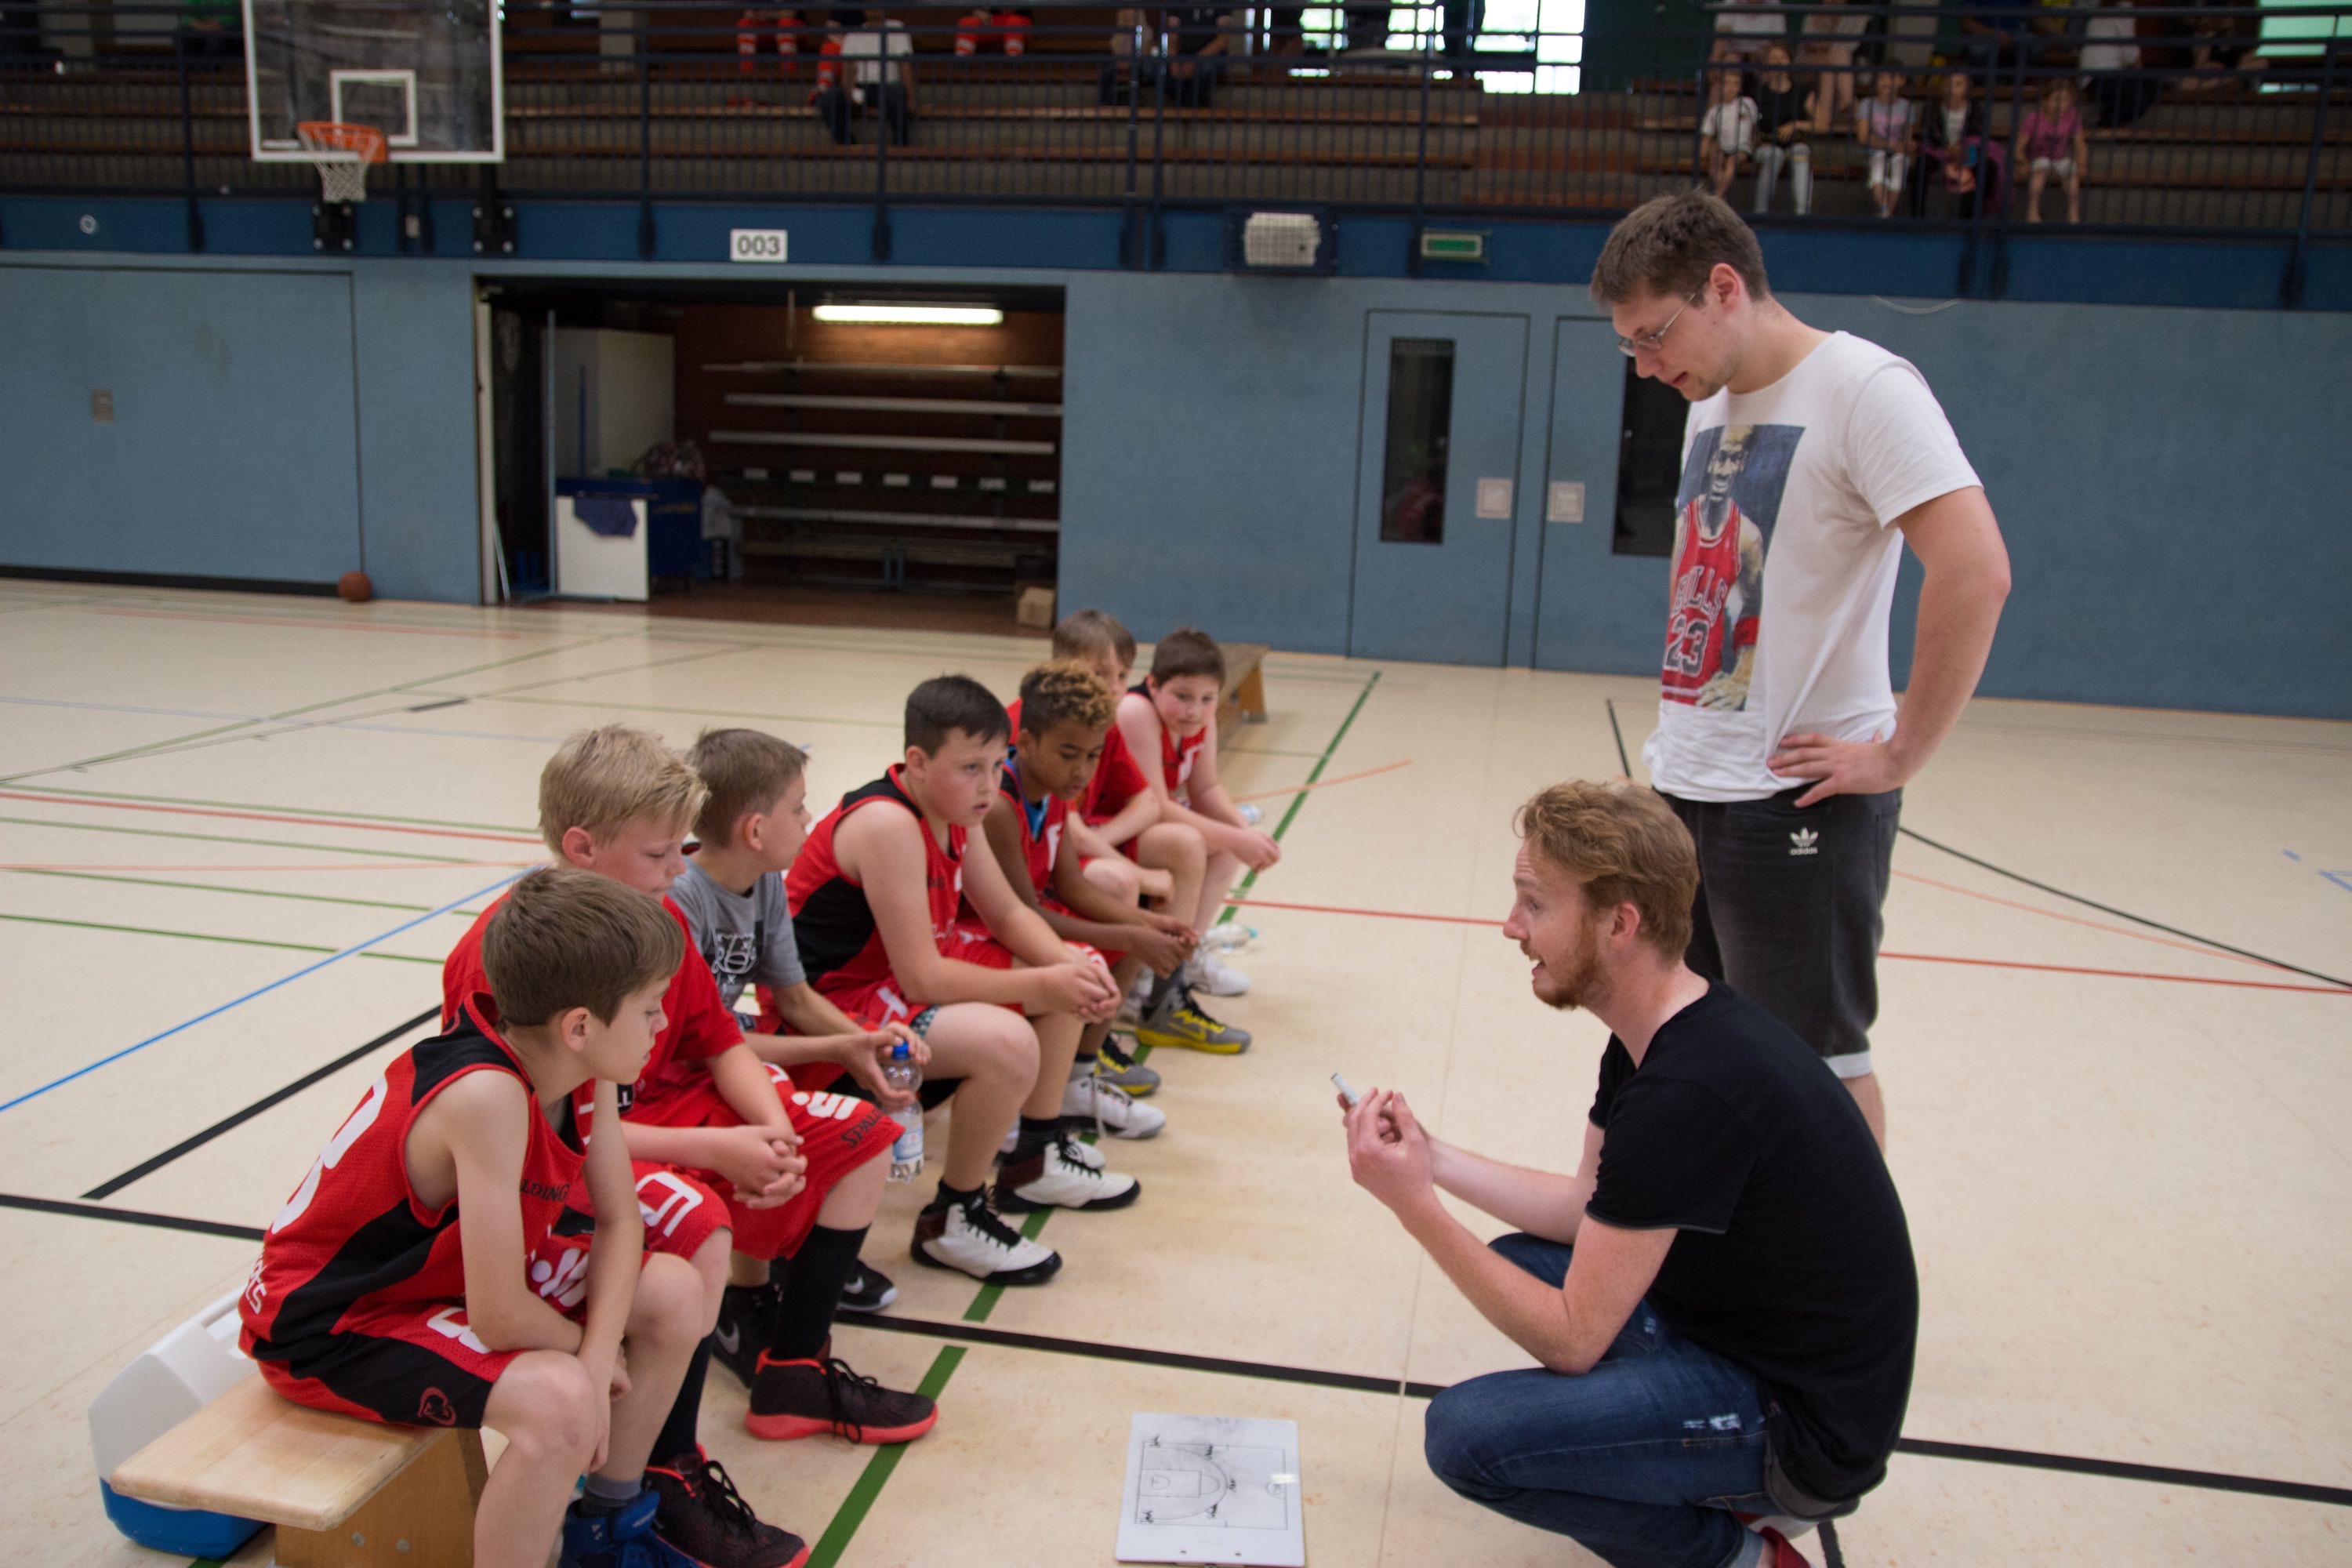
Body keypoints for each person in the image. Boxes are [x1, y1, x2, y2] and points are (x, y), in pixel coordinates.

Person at [1345, 782, 1918, 1568]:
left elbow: (1572, 1339)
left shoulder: (1687, 1093)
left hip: (1802, 1431)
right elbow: (1582, 1205)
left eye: (1535, 903)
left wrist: (1416, 1207)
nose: (1512, 926)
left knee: (1468, 1436)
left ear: (1619, 923)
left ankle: (1739, 1556)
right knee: (1520, 1260)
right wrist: (1430, 1156)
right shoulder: (1661, 1029)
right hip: (1742, 1334)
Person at [1589, 191, 2012, 1149]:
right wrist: (1679, 751)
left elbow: (1976, 569)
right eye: (1629, 347)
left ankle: (1847, 1242)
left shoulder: (1865, 387)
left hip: (1796, 796)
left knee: (1815, 1062)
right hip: (1692, 789)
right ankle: (1731, 1223)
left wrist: (1900, 752)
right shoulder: (1710, 401)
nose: (1646, 365)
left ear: (1723, 288)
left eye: (1654, 335)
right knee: (1694, 1040)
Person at [242, 869, 795, 1568]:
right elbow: (499, 1317)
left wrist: (599, 1358)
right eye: (651, 1008)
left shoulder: (582, 1069)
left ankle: (608, 1527)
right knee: (560, 1402)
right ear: (580, 1026)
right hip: (330, 1324)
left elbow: (620, 1222)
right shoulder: (486, 1096)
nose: (662, 1025)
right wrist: (586, 1362)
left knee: (674, 1293)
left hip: (435, 1285)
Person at [442, 725, 937, 1475]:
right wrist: (714, 1149)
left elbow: (721, 1039)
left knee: (860, 1134)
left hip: (653, 1117)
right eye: (659, 854)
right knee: (696, 1224)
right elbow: (543, 1139)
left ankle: (792, 1370)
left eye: (684, 850)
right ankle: (665, 1466)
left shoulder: (657, 917)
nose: (679, 870)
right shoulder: (504, 959)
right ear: (581, 848)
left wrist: (772, 1132)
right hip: (567, 1166)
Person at [786, 675, 1134, 1281]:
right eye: (971, 767)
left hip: (888, 983)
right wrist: (1045, 984)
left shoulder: (956, 810)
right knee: (1009, 1041)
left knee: (1068, 972)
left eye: (997, 766)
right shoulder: (887, 823)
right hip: (826, 1009)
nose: (989, 784)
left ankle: (1035, 1153)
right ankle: (954, 1217)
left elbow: (1008, 914)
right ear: (917, 762)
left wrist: (1067, 966)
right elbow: (922, 977)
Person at [673, 727, 931, 1328]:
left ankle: (784, 1265)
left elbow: (795, 997)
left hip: (727, 1046)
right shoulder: (681, 900)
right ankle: (766, 1283)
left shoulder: (763, 879)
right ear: (755, 831)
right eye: (798, 808)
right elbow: (700, 1043)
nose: (810, 820)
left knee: (861, 1072)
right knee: (793, 1120)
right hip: (681, 1069)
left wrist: (864, 1039)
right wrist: (842, 1045)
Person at [985, 660, 1198, 1135]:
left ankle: (1077, 1078)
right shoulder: (1000, 804)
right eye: (1069, 754)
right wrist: (1130, 934)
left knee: (1130, 937)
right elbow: (1023, 914)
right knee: (1088, 962)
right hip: (984, 933)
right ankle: (1032, 1112)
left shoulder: (1056, 791)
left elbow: (1072, 886)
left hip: (1023, 920)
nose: (1082, 770)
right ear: (1028, 742)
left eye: (1092, 756)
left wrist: (1149, 925)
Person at [1047, 610, 1244, 1058]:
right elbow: (1067, 829)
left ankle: (1163, 991)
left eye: (1121, 675)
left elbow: (1149, 802)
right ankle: (1092, 1037)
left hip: (1082, 842)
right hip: (1042, 863)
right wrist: (1133, 869)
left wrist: (1107, 841)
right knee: (1121, 881)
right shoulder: (1050, 726)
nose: (1114, 686)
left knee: (1187, 844)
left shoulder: (1105, 724)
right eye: (1099, 673)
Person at [1116, 627, 1278, 1002]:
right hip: (1113, 825)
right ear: (1153, 684)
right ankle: (1152, 971)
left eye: (1207, 698)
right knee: (1189, 843)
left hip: (1146, 824)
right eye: (1182, 696)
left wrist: (1247, 835)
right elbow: (1157, 806)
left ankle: (1187, 955)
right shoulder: (1135, 711)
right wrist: (1238, 838)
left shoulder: (1202, 719)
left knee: (1227, 845)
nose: (1194, 710)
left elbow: (1206, 789)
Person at [818, 7, 913, 144]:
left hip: (887, 88)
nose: (874, 8)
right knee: (828, 100)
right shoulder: (855, 32)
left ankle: (900, 146)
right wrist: (848, 91)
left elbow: (905, 65)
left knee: (896, 95)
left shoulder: (897, 28)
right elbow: (849, 67)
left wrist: (911, 99)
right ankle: (847, 144)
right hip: (860, 89)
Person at [1915, 69, 2001, 217]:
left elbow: (1977, 133)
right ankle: (1917, 216)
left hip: (1967, 152)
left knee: (1987, 166)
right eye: (1948, 84)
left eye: (1958, 85)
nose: (1952, 89)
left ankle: (1971, 216)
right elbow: (1929, 132)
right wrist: (1948, 147)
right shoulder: (1932, 107)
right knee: (1922, 164)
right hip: (1939, 152)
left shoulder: (1974, 108)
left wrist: (1962, 147)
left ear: (1967, 86)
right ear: (1943, 86)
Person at [1749, 43, 1813, 216]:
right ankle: (1760, 213)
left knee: (1801, 152)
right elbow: (1751, 126)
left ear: (1790, 62)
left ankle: (1802, 214)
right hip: (1766, 145)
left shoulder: (1803, 92)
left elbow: (1821, 124)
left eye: (1782, 58)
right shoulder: (1757, 94)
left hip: (1795, 143)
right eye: (1773, 58)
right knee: (1774, 155)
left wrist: (1795, 125)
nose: (1778, 62)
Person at [2016, 76, 2087, 223]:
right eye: (2055, 100)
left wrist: (2081, 164)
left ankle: (2073, 215)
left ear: (2071, 102)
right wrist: (2024, 162)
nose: (2060, 104)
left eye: (2065, 100)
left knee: (2072, 174)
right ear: (2045, 101)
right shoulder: (2033, 119)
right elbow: (2018, 148)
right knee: (2040, 172)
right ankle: (2032, 212)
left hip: (2059, 158)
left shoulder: (2072, 116)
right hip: (2037, 158)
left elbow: (2080, 144)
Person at [1794, 0, 1867, 136]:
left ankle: (1824, 121)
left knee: (1831, 66)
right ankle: (1848, 99)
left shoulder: (1857, 16)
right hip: (1808, 63)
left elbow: (1852, 45)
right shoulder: (1815, 14)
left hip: (1835, 64)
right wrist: (1828, 44)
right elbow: (1810, 44)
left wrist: (1826, 43)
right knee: (1838, 55)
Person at [2079, 0, 2156, 128]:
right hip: (2102, 74)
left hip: (2099, 74)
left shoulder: (2108, 8)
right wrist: (2140, 72)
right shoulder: (2122, 9)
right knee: (2140, 101)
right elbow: (2130, 52)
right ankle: (2100, 123)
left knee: (2152, 84)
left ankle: (2102, 117)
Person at [1856, 69, 1913, 218]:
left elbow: (1907, 138)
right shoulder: (1866, 104)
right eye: (1882, 78)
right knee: (1879, 165)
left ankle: (1886, 213)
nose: (1887, 83)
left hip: (1898, 152)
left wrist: (1906, 146)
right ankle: (1885, 210)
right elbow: (1863, 137)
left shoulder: (1907, 106)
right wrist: (1890, 145)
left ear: (1901, 81)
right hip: (1873, 151)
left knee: (1899, 164)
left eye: (1891, 78)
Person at [1699, 66, 1759, 201]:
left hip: (1742, 147)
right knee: (1716, 161)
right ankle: (1721, 195)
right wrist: (1703, 154)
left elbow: (1755, 127)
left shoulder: (1747, 104)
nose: (1731, 87)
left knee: (1732, 161)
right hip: (1723, 147)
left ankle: (1719, 195)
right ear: (1720, 87)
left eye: (1735, 84)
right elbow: (1707, 136)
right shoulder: (1715, 111)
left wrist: (1754, 145)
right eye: (1727, 83)